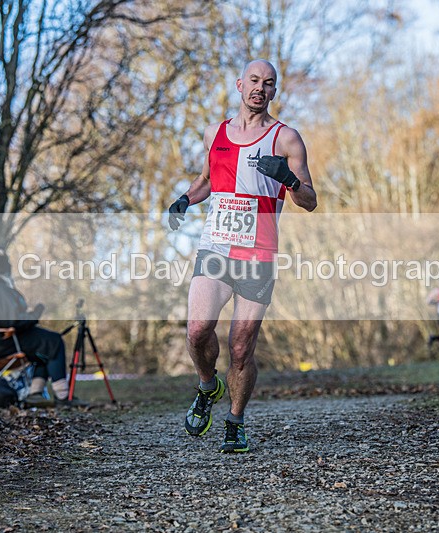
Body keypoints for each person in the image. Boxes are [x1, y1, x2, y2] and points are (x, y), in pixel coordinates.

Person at [167, 59, 317, 453]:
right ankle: (206, 387)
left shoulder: (286, 139)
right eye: (254, 80)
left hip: (258, 253)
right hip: (215, 245)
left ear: (274, 92)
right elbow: (206, 180)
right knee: (198, 330)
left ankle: (235, 421)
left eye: (268, 84)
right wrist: (184, 199)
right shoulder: (214, 133)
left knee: (240, 346)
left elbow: (310, 200)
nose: (259, 88)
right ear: (239, 84)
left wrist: (287, 178)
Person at [0, 245, 87, 407]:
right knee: (54, 341)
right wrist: (35, 314)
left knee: (44, 347)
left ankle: (35, 394)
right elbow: (13, 321)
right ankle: (63, 396)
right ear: (2, 267)